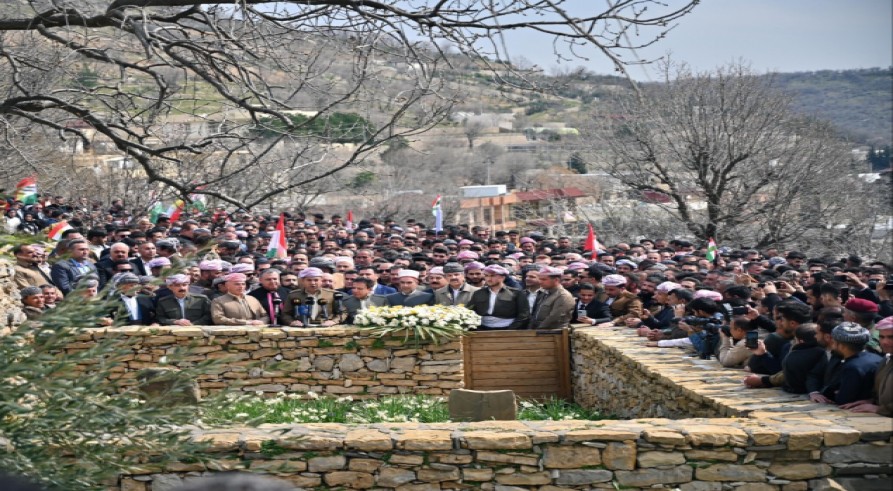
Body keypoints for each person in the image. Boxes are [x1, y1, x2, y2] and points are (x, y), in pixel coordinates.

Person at [840, 316, 893, 415]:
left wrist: (879, 409)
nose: (885, 342)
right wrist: (871, 401)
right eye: (882, 337)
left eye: (891, 337)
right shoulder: (886, 360)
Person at [466, 265, 529, 330]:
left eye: (492, 276)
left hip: (507, 329)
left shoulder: (516, 293)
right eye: (486, 276)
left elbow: (524, 315)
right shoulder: (478, 293)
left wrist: (511, 329)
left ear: (502, 277)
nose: (489, 279)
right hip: (482, 328)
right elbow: (470, 311)